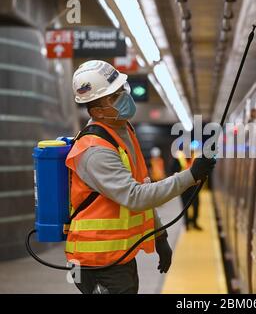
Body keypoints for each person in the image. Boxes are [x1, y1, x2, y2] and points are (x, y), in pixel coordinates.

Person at [66, 60, 215, 294]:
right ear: (97, 111)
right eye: (114, 96)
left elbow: (142, 185)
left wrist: (160, 235)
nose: (125, 95)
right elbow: (135, 196)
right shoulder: (94, 151)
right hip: (97, 262)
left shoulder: (123, 131)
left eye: (121, 90)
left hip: (118, 256)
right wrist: (190, 175)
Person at [171, 144, 202, 231]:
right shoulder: (178, 158)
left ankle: (194, 223)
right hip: (183, 186)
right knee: (185, 206)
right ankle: (187, 224)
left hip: (194, 186)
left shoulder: (195, 158)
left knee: (196, 205)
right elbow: (173, 169)